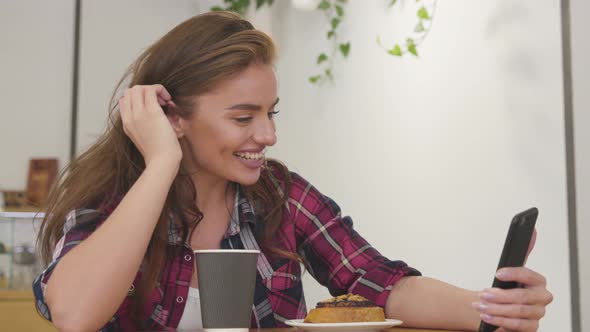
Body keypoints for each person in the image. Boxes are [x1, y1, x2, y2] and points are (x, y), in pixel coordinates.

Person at [33, 11, 553, 332]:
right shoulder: (114, 193)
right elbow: (75, 315)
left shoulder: (277, 196)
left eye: (271, 112)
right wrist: (162, 164)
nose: (268, 136)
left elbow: (381, 283)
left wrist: (492, 309)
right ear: (174, 119)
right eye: (243, 117)